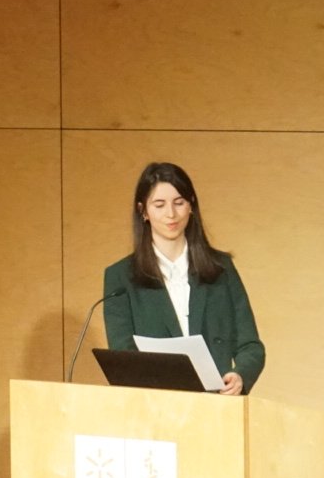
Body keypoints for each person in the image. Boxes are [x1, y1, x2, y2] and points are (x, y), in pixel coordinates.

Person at [102, 162, 264, 395]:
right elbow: (123, 354)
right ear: (143, 211)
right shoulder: (120, 277)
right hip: (155, 405)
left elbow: (250, 345)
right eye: (159, 205)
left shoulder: (221, 269)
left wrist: (240, 376)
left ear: (191, 205)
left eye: (179, 203)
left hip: (217, 403)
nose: (171, 214)